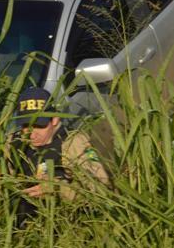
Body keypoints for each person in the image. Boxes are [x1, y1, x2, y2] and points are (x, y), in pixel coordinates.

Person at [6, 87, 109, 227]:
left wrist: (58, 189)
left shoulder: (73, 143)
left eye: (39, 126)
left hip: (65, 226)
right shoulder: (13, 142)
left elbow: (100, 189)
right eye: (26, 126)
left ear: (54, 119)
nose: (31, 134)